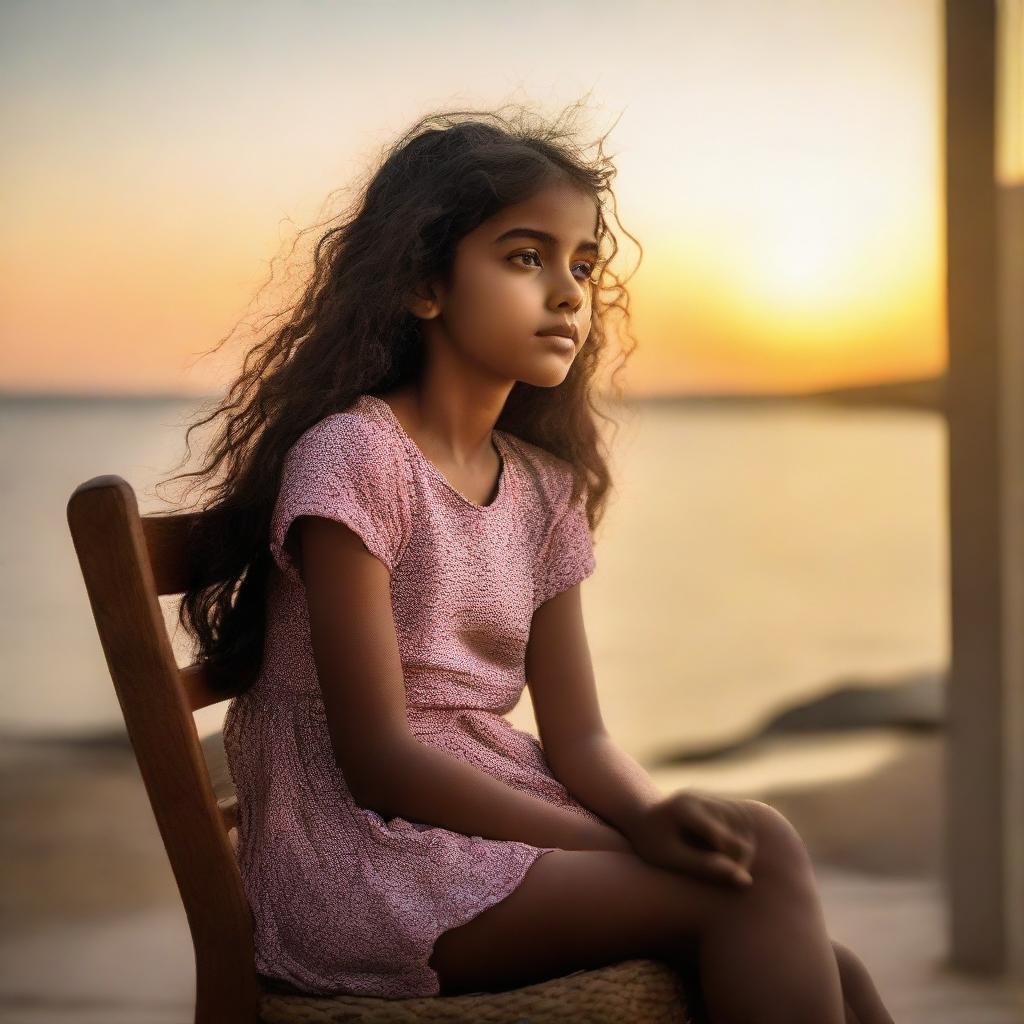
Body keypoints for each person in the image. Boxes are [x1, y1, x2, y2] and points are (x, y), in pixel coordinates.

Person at [164, 104, 894, 1023]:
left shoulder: (544, 490)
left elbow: (581, 739)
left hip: (487, 818)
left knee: (831, 956)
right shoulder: (355, 459)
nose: (568, 293)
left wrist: (644, 818)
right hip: (365, 863)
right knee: (752, 887)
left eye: (583, 264)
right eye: (525, 257)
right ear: (426, 282)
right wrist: (609, 843)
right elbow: (380, 761)